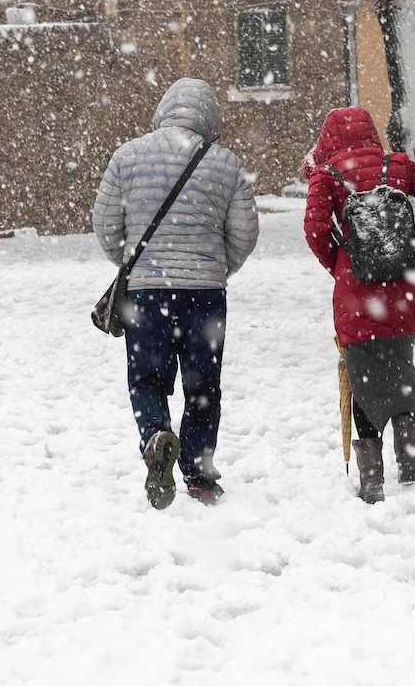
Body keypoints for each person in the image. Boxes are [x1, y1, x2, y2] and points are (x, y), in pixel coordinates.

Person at [92, 78, 260, 509]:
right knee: (203, 384)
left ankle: (155, 436)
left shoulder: (126, 158)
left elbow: (106, 224)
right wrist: (218, 268)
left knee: (146, 377)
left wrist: (130, 263)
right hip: (204, 292)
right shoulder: (225, 164)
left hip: (147, 293)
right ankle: (198, 472)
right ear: (209, 118)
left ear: (164, 109)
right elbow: (244, 233)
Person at [302, 107, 415, 503]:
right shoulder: (399, 166)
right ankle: (409, 466)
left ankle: (372, 480)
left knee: (363, 380)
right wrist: (413, 247)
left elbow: (315, 230)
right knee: (402, 369)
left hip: (357, 297)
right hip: (404, 293)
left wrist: (340, 263)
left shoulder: (327, 176)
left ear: (330, 139)